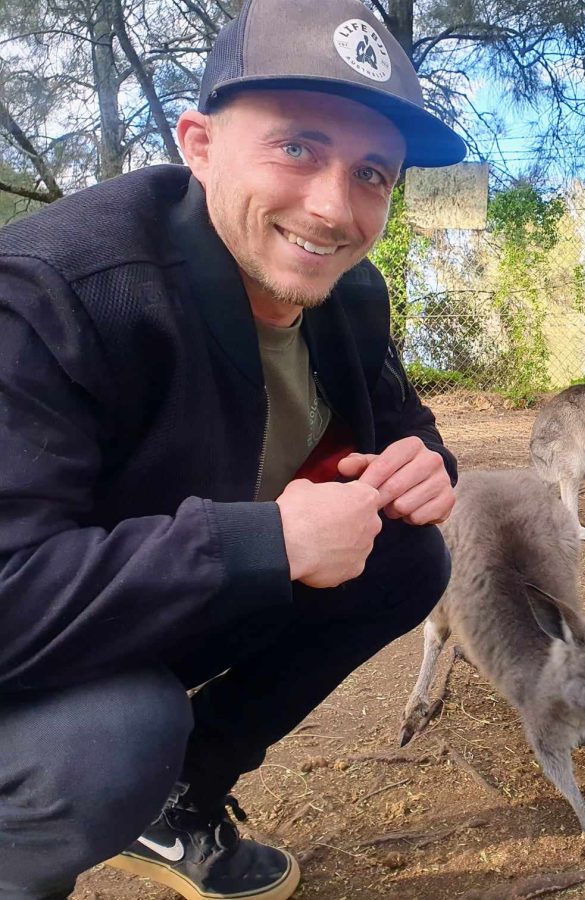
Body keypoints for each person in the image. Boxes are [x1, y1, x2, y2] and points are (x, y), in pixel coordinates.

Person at [0, 1, 468, 897]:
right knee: (110, 739)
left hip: (137, 606)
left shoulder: (346, 294)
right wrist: (269, 542)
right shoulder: (51, 297)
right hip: (34, 647)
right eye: (296, 147)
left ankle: (177, 803)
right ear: (199, 144)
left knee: (408, 555)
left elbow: (402, 418)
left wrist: (426, 464)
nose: (334, 208)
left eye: (372, 172)